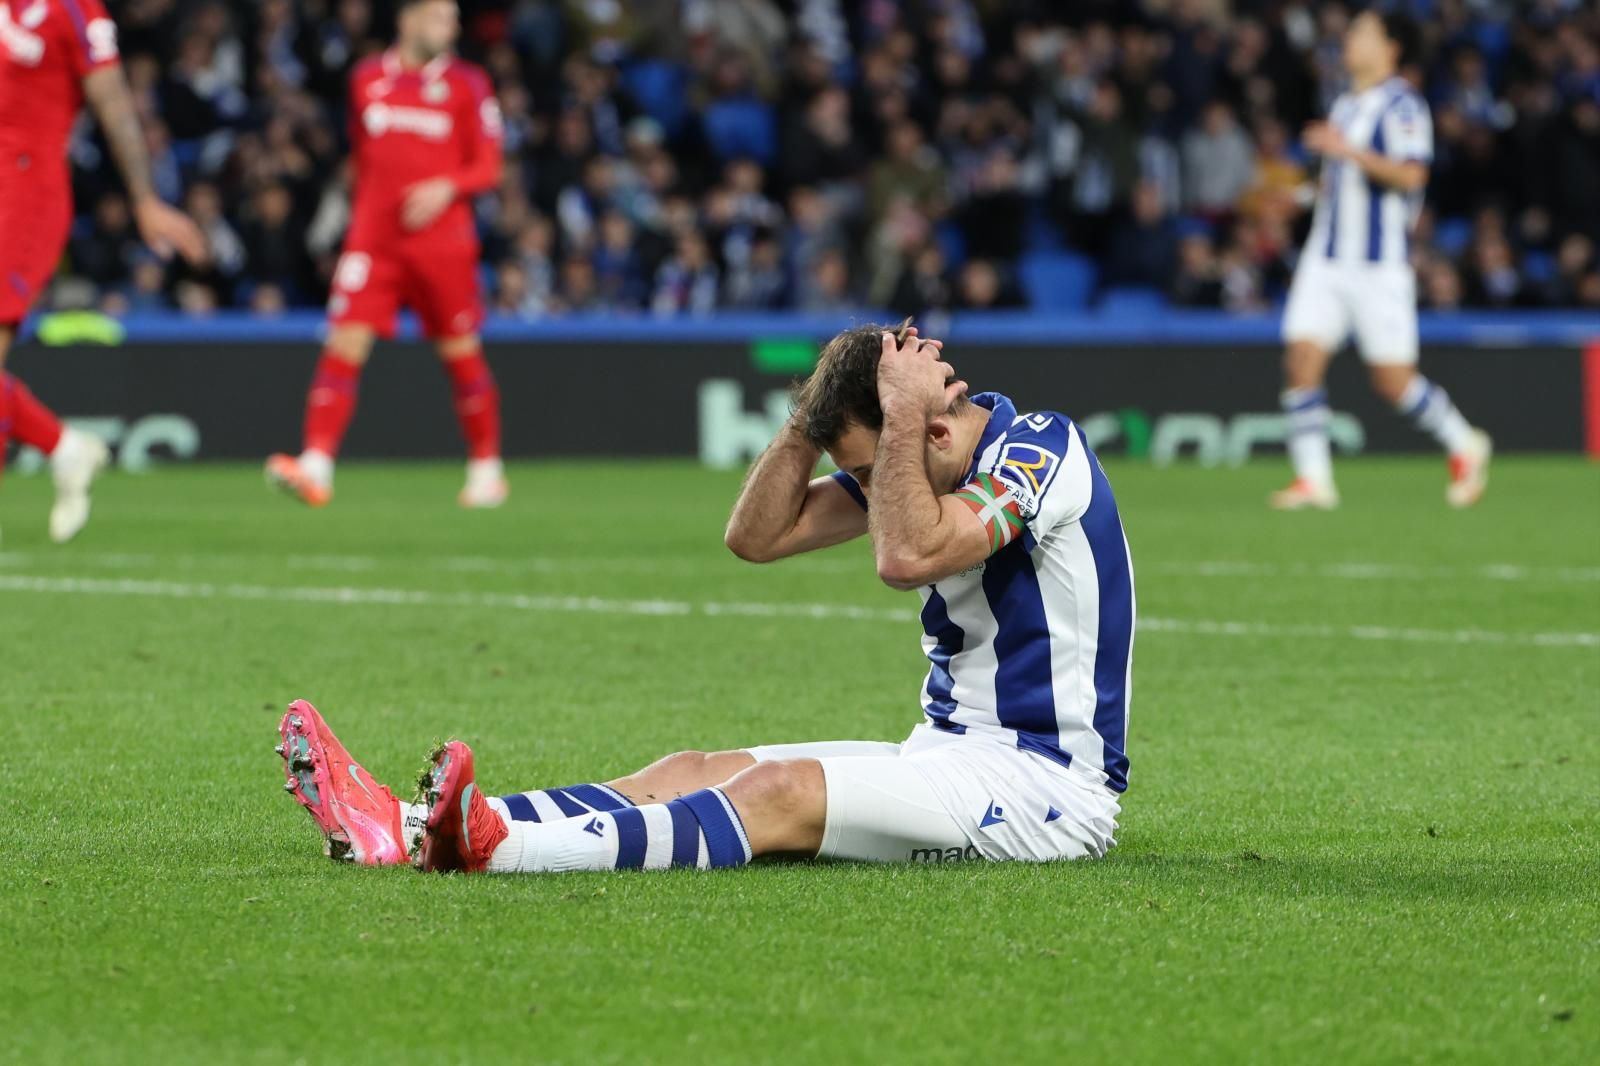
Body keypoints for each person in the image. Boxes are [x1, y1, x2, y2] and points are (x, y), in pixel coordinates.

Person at [276, 322, 1136, 872]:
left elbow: (910, 554)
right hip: (943, 751)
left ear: (933, 430)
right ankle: (408, 822)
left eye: (869, 467)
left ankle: (498, 851)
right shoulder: (919, 459)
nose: (867, 488)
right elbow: (756, 537)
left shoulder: (1041, 449)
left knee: (780, 793)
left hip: (1047, 791)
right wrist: (810, 416)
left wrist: (900, 422)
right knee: (689, 771)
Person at [265, 0, 506, 509]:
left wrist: (447, 185)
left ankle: (487, 468)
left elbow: (489, 166)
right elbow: (364, 155)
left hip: (442, 245)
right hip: (373, 242)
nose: (453, 25)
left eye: (453, 16)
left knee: (459, 353)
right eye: (441, 15)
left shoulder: (468, 84)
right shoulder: (367, 78)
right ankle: (317, 464)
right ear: (409, 18)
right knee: (343, 343)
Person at [0, 0, 204, 544]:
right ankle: (65, 448)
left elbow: (112, 101)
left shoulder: (73, 9)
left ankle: (63, 448)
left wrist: (144, 198)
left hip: (24, 192)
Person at [1275, 10, 1491, 511]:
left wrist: (1344, 150)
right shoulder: (1347, 103)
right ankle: (1314, 480)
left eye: (1362, 33)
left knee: (1392, 381)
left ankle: (1464, 442)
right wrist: (1303, 197)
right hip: (1325, 258)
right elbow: (1341, 186)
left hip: (1378, 265)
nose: (1350, 39)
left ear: (1391, 47)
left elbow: (1413, 176)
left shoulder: (1403, 106)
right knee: (1301, 358)